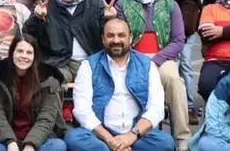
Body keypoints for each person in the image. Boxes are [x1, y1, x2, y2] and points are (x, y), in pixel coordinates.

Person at [65, 17, 175, 151]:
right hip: (100, 136)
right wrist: (110, 139)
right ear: (103, 39)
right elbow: (82, 110)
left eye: (121, 35)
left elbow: (156, 109)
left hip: (136, 134)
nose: (116, 40)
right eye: (110, 36)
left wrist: (131, 136)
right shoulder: (88, 66)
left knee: (165, 143)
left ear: (130, 38)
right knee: (73, 138)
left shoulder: (147, 65)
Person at [117, 0, 190, 150]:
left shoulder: (170, 4)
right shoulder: (122, 4)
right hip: (131, 58)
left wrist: (156, 60)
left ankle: (182, 138)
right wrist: (140, 60)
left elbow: (178, 40)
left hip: (162, 59)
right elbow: (120, 39)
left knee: (174, 81)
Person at [24, 0, 108, 82]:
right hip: (58, 63)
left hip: (90, 62)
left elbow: (107, 33)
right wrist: (37, 18)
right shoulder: (45, 3)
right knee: (51, 82)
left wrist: (109, 19)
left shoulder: (94, 3)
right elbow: (28, 34)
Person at [0, 34, 66, 151]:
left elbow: (46, 118)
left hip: (38, 138)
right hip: (6, 138)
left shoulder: (48, 79)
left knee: (58, 146)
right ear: (12, 53)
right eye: (20, 51)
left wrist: (31, 144)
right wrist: (10, 142)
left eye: (29, 53)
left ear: (35, 56)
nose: (24, 56)